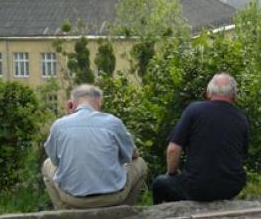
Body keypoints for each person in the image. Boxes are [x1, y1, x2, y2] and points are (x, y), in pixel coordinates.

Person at [42, 84, 147, 209]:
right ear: (99, 103)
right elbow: (133, 154)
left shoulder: (59, 125)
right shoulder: (113, 122)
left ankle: (63, 212)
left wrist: (68, 116)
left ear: (72, 103)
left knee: (47, 164)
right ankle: (124, 210)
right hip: (112, 197)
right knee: (140, 163)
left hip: (73, 198)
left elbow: (55, 160)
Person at [152, 73, 249, 204]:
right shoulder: (241, 119)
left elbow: (173, 150)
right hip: (231, 188)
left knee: (160, 183)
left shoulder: (194, 110)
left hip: (197, 189)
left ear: (209, 92)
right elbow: (241, 154)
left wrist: (173, 173)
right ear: (234, 95)